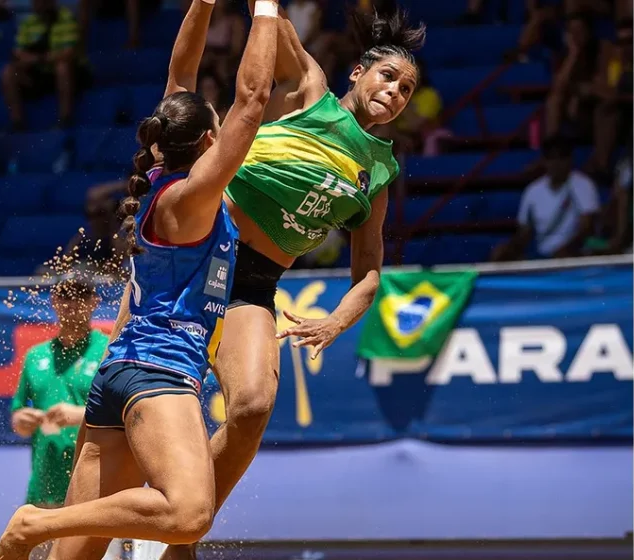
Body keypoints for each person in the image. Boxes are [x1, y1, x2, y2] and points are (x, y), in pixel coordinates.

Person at [0, 1, 279, 559]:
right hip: (159, 368)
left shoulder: (160, 179)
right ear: (205, 142)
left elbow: (180, 78)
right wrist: (265, 10)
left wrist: (202, 4)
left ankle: (44, 529)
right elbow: (253, 100)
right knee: (189, 514)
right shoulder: (192, 195)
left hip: (121, 368)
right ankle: (33, 523)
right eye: (215, 127)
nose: (225, 126)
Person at [159, 2, 426, 558]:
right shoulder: (313, 89)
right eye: (389, 76)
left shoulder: (379, 171)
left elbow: (370, 272)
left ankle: (183, 528)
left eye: (407, 89)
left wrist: (335, 321)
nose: (396, 93)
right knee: (135, 396)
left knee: (253, 406)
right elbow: (269, 19)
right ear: (359, 72)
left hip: (255, 284)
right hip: (201, 252)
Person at [10, 267, 109, 509]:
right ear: (54, 300)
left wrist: (81, 416)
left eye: (80, 295)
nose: (71, 302)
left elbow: (128, 417)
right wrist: (22, 421)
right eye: (64, 295)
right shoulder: (36, 355)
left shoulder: (109, 351)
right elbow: (18, 416)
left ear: (94, 301)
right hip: (45, 488)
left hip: (97, 489)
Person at [491, 136, 600, 261]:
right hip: (542, 255)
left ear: (571, 159)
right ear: (544, 161)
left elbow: (587, 228)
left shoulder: (584, 185)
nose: (556, 163)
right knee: (500, 253)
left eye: (562, 157)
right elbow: (524, 233)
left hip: (576, 254)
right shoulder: (532, 191)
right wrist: (508, 249)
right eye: (551, 158)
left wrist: (566, 249)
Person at [0, 0, 91, 130]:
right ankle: (17, 122)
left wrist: (39, 58)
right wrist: (30, 59)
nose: (39, 4)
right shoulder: (29, 23)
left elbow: (69, 53)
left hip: (72, 74)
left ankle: (65, 118)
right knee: (9, 72)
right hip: (40, 73)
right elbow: (17, 52)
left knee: (62, 67)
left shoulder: (67, 18)